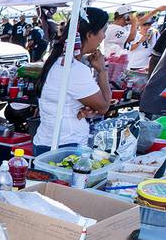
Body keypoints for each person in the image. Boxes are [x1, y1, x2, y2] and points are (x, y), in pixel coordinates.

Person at [33, 8, 113, 155]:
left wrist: (87, 109)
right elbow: (104, 106)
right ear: (90, 34)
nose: (103, 37)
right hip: (64, 146)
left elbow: (71, 103)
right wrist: (101, 70)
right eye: (103, 31)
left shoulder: (57, 61)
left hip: (48, 142)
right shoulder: (74, 69)